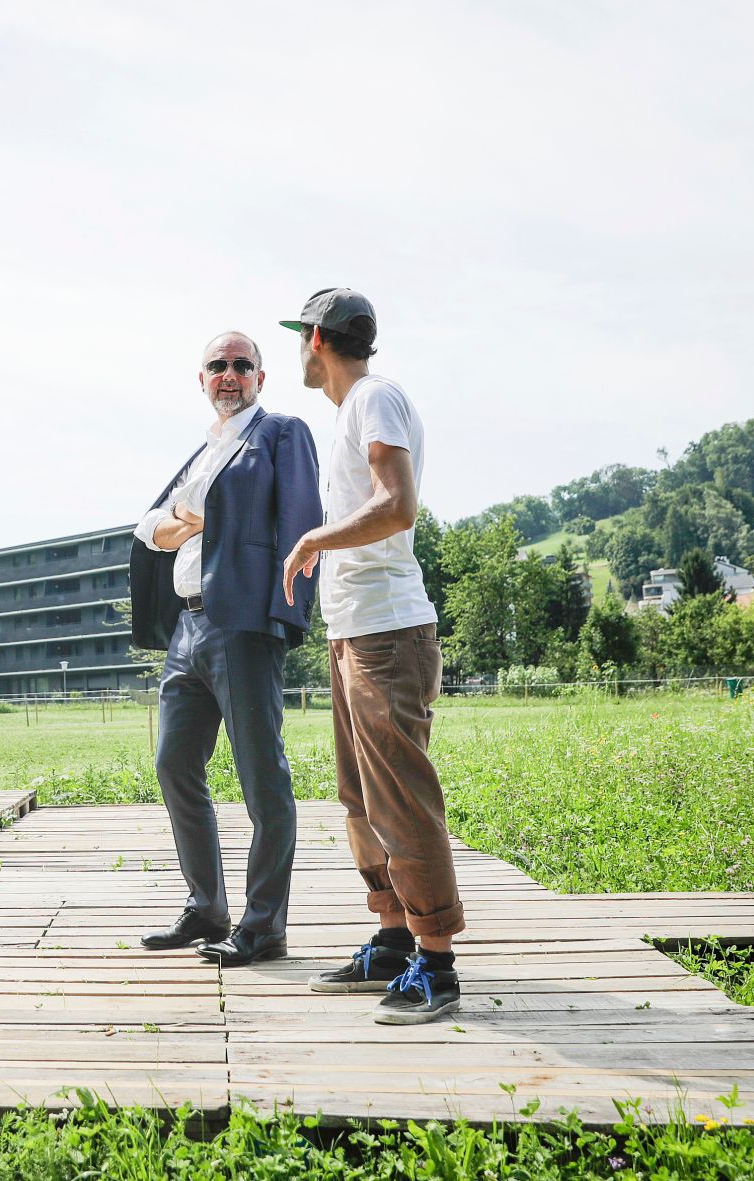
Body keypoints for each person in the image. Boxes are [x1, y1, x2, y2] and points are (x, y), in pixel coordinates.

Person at [279, 288, 465, 1024]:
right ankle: (392, 938)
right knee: (360, 799)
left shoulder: (374, 400)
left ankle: (437, 963)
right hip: (354, 632)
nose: (300, 347)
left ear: (317, 338)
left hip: (389, 634)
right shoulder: (350, 413)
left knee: (401, 801)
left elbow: (399, 504)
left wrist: (316, 539)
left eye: (301, 336)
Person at [130, 331, 321, 966]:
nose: (229, 374)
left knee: (261, 776)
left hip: (240, 623)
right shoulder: (202, 451)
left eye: (243, 365)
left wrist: (284, 614)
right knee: (173, 763)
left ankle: (263, 925)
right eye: (218, 365)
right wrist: (193, 518)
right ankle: (206, 907)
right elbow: (151, 528)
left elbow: (297, 520)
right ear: (202, 378)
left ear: (261, 378)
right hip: (186, 628)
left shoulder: (279, 434)